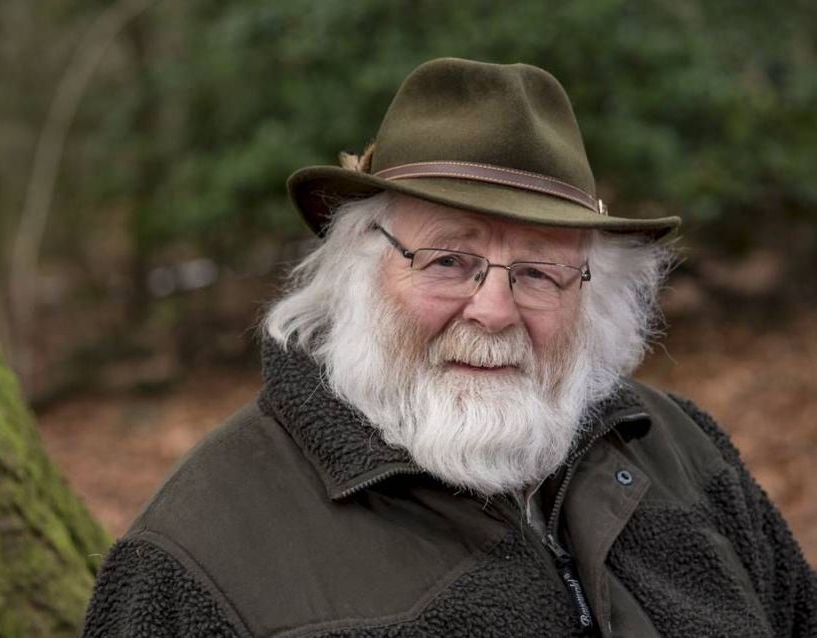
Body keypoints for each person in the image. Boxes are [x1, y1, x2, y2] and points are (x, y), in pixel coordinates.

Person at [82, 58, 815, 637]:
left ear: (590, 294)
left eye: (537, 272)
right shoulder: (195, 554)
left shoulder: (681, 448)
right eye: (446, 261)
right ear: (356, 272)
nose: (493, 311)